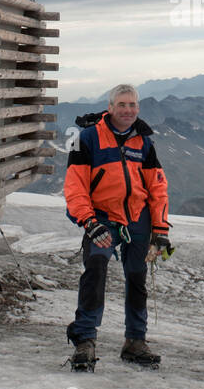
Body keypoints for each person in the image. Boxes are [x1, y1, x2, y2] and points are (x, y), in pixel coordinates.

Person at [63, 84, 172, 369]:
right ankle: (85, 341)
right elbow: (75, 188)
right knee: (95, 271)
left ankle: (135, 341)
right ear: (109, 108)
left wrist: (160, 230)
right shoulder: (87, 138)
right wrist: (89, 222)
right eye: (122, 105)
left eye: (132, 105)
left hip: (137, 218)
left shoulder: (144, 142)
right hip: (101, 218)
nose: (128, 111)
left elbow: (158, 188)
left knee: (137, 278)